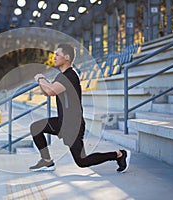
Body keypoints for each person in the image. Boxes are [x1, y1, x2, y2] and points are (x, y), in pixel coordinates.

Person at [29, 43, 131, 173]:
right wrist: (43, 83)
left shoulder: (69, 76)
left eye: (57, 55)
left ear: (66, 57)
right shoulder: (62, 75)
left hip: (73, 124)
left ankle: (119, 155)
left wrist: (41, 78)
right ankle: (47, 161)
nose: (54, 57)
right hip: (63, 122)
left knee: (82, 161)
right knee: (36, 127)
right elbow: (47, 92)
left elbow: (50, 91)